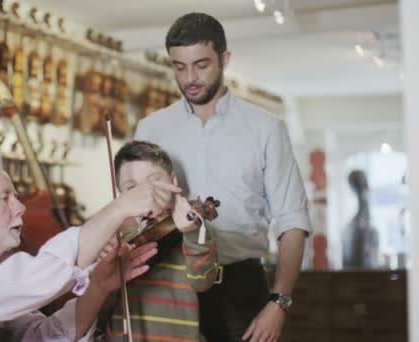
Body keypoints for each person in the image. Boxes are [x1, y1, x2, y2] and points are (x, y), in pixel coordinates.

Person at [134, 12, 312, 342]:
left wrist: (279, 302)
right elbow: (137, 210)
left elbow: (293, 221)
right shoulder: (150, 129)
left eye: (201, 64)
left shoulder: (266, 129)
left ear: (224, 59)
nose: (190, 77)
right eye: (179, 66)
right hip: (168, 283)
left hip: (239, 285)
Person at [0, 154, 181, 341]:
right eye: (5, 198)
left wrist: (97, 289)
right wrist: (119, 209)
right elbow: (36, 277)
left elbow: (44, 337)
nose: (21, 207)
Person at [102, 140, 219, 341]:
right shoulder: (113, 232)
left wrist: (190, 233)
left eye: (154, 181)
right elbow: (99, 300)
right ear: (120, 193)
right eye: (132, 187)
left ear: (173, 181)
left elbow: (203, 282)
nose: (146, 192)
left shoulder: (192, 229)